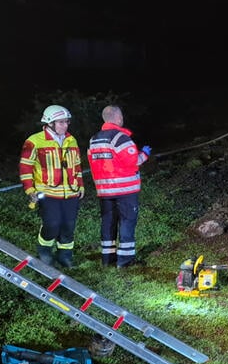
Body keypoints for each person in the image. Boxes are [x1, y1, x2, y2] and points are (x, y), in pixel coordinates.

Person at [19, 104, 85, 267]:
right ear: (50, 123)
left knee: (69, 225)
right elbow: (25, 167)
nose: (65, 125)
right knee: (52, 224)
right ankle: (44, 250)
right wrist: (29, 189)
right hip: (47, 193)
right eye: (61, 122)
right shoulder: (34, 141)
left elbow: (76, 165)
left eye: (67, 122)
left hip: (71, 192)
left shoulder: (71, 140)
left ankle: (65, 256)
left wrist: (81, 185)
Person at [87, 105, 151, 268]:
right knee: (127, 222)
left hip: (104, 190)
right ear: (116, 117)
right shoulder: (120, 138)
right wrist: (144, 154)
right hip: (125, 190)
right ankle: (125, 260)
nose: (122, 118)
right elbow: (133, 162)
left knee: (108, 223)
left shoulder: (94, 139)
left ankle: (107, 259)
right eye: (121, 116)